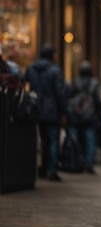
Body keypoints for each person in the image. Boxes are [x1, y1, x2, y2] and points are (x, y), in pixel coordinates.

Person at [24, 45, 67, 181]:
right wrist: (63, 111)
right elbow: (60, 93)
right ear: (51, 55)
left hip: (36, 108)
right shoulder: (55, 71)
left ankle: (44, 166)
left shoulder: (31, 69)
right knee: (53, 140)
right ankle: (52, 170)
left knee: (43, 140)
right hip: (52, 110)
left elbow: (24, 84)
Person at [67, 61, 101, 174]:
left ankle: (75, 162)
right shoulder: (94, 83)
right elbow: (98, 101)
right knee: (90, 141)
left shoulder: (75, 82)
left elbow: (70, 97)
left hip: (76, 116)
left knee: (75, 140)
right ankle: (88, 164)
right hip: (90, 117)